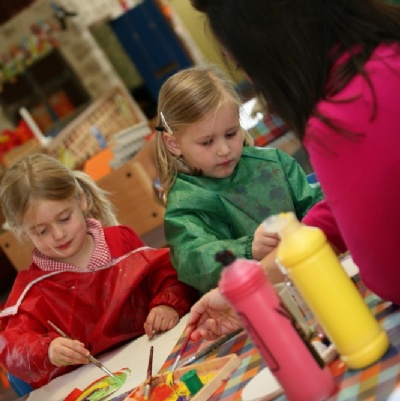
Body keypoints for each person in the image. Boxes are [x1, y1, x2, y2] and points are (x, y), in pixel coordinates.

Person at [190, 0, 400, 305]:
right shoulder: (383, 58)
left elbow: (388, 274)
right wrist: (245, 287)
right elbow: (348, 206)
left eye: (244, 64)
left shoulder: (339, 118)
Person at [0, 153, 197, 389]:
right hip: (94, 388)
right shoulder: (31, 293)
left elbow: (169, 275)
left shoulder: (121, 241)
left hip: (159, 362)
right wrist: (47, 351)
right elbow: (12, 349)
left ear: (81, 200)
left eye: (64, 218)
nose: (59, 235)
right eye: (42, 231)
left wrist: (168, 304)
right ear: (24, 233)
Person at [155, 65, 332, 294]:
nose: (224, 150)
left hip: (316, 274)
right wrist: (248, 249)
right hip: (255, 300)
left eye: (231, 134)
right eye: (207, 142)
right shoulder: (183, 206)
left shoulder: (274, 164)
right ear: (174, 144)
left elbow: (317, 207)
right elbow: (196, 262)